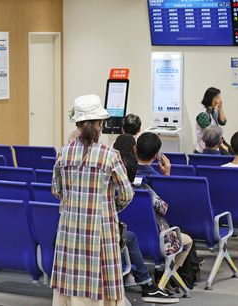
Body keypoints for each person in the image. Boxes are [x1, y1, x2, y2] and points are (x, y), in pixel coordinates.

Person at [52, 94, 133, 305]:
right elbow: (127, 193)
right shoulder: (110, 155)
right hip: (101, 229)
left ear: (77, 124)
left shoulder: (63, 153)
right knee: (102, 282)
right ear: (100, 124)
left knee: (71, 280)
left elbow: (56, 190)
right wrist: (109, 207)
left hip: (70, 228)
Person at [121, 155, 179, 304]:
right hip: (155, 243)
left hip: (128, 240)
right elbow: (163, 209)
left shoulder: (114, 192)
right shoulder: (145, 191)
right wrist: (166, 176)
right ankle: (166, 277)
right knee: (185, 239)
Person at [195, 87, 227, 153]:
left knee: (231, 151)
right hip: (205, 149)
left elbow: (223, 122)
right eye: (218, 97)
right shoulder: (203, 115)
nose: (220, 100)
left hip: (215, 145)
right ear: (212, 98)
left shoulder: (214, 110)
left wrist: (220, 108)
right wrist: (222, 145)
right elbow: (210, 134)